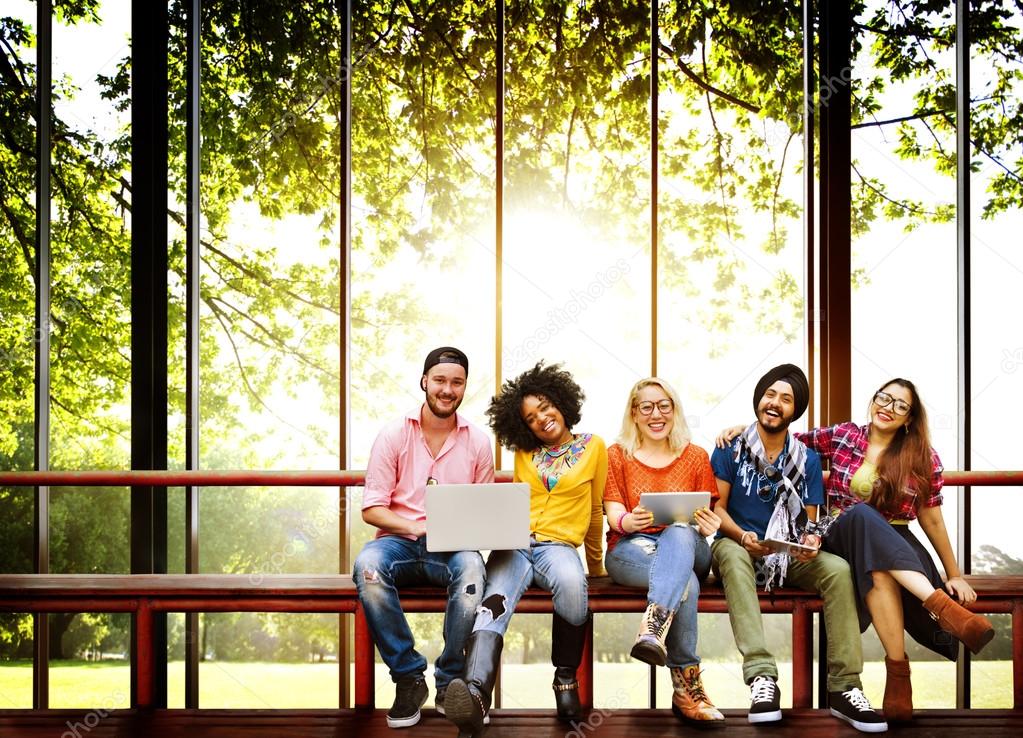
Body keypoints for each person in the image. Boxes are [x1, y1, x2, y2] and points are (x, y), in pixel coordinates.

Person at [791, 379, 994, 721]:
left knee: (879, 567)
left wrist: (955, 573)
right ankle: (943, 609)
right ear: (873, 400)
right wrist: (745, 429)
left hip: (897, 544)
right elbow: (786, 442)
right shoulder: (843, 435)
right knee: (861, 514)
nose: (888, 407)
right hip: (840, 534)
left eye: (900, 405)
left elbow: (932, 521)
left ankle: (898, 676)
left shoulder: (923, 457)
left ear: (910, 418)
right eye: (884, 398)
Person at [710, 364, 887, 733]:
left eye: (786, 399)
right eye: (770, 394)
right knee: (727, 551)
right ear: (758, 399)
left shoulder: (805, 458)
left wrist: (809, 543)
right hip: (740, 547)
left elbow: (808, 522)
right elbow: (716, 509)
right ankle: (762, 678)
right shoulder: (730, 447)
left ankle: (844, 687)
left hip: (785, 556)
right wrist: (743, 536)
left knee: (837, 569)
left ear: (796, 410)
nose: (775, 403)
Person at [444, 362, 606, 737]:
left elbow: (596, 510)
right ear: (524, 426)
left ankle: (565, 679)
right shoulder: (524, 453)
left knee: (571, 582)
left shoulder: (593, 447)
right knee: (493, 601)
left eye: (546, 407)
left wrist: (595, 566)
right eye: (531, 418)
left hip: (559, 545)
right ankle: (475, 695)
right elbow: (515, 503)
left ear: (562, 403)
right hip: (515, 544)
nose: (542, 419)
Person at [353, 347, 494, 729]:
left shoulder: (479, 443)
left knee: (471, 570)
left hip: (450, 549)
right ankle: (409, 678)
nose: (448, 389)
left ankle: (450, 680)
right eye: (440, 380)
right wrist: (415, 527)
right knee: (367, 566)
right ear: (424, 382)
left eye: (457, 382)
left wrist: (464, 531)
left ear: (464, 387)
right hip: (397, 542)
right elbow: (372, 510)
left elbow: (482, 513)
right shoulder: (394, 435)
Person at [603, 377, 725, 727]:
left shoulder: (696, 456)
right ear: (634, 413)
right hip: (632, 550)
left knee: (680, 532)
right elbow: (614, 516)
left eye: (664, 406)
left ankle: (653, 628)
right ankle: (688, 686)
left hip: (690, 546)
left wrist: (707, 524)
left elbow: (709, 516)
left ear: (674, 410)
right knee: (682, 579)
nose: (656, 414)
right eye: (647, 407)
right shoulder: (617, 455)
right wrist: (630, 521)